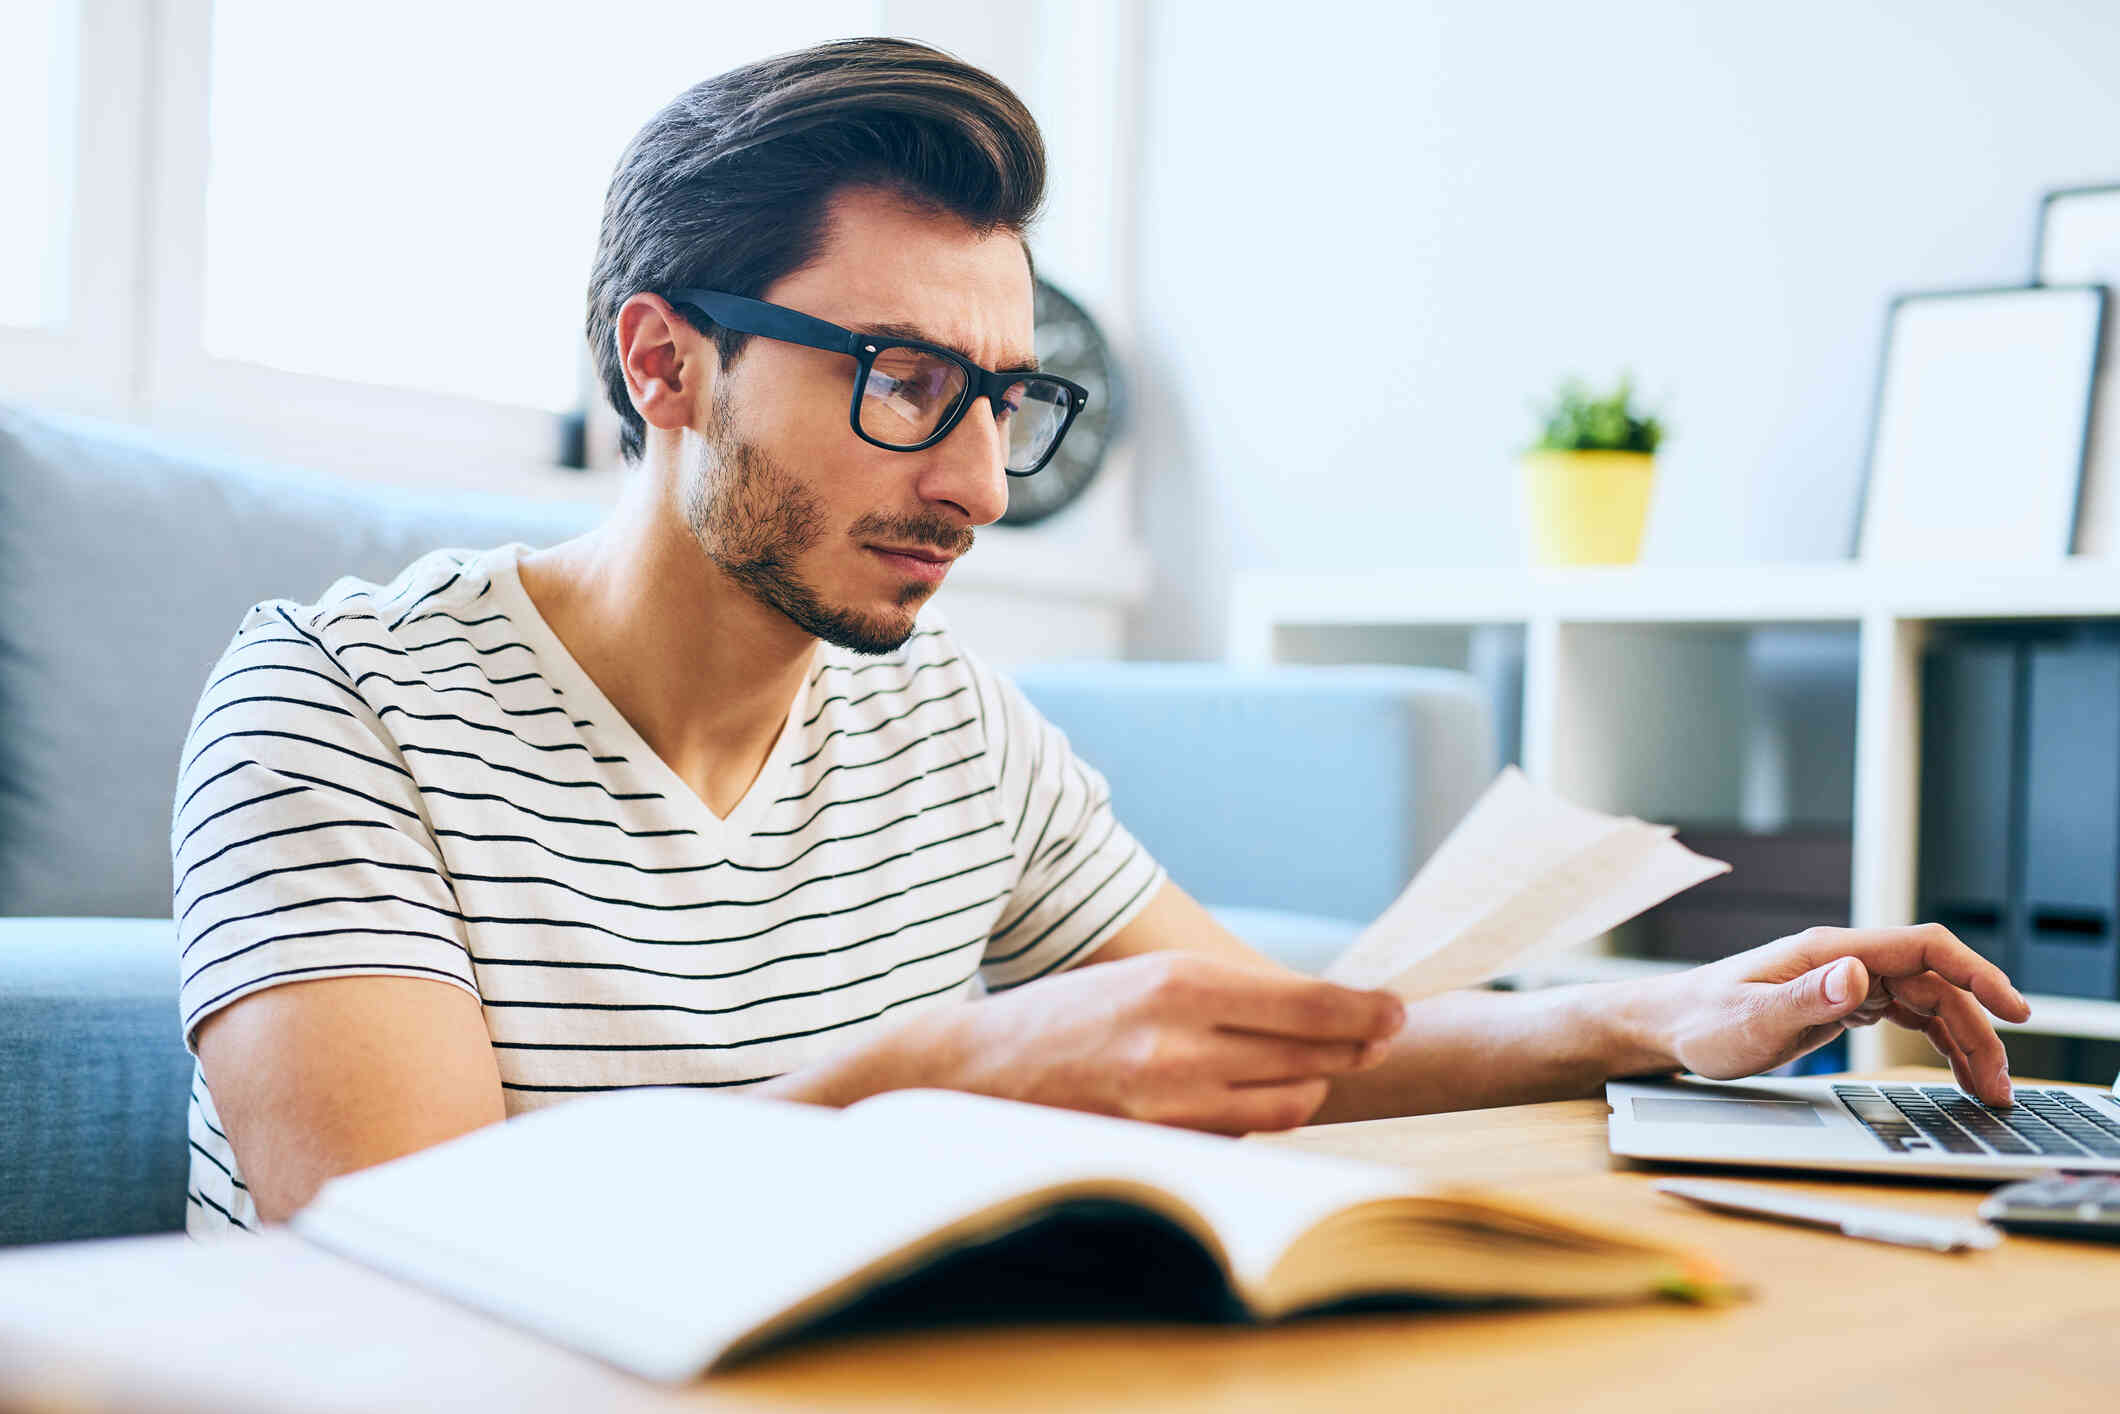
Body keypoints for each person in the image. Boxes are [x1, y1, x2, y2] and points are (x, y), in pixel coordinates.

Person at [173, 37, 2029, 1240]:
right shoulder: (335, 706)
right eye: (904, 384)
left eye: (1005, 397)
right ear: (668, 362)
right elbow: (383, 1259)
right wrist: (945, 1070)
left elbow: (1284, 1037)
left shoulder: (954, 730)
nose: (979, 483)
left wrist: (1682, 1011)